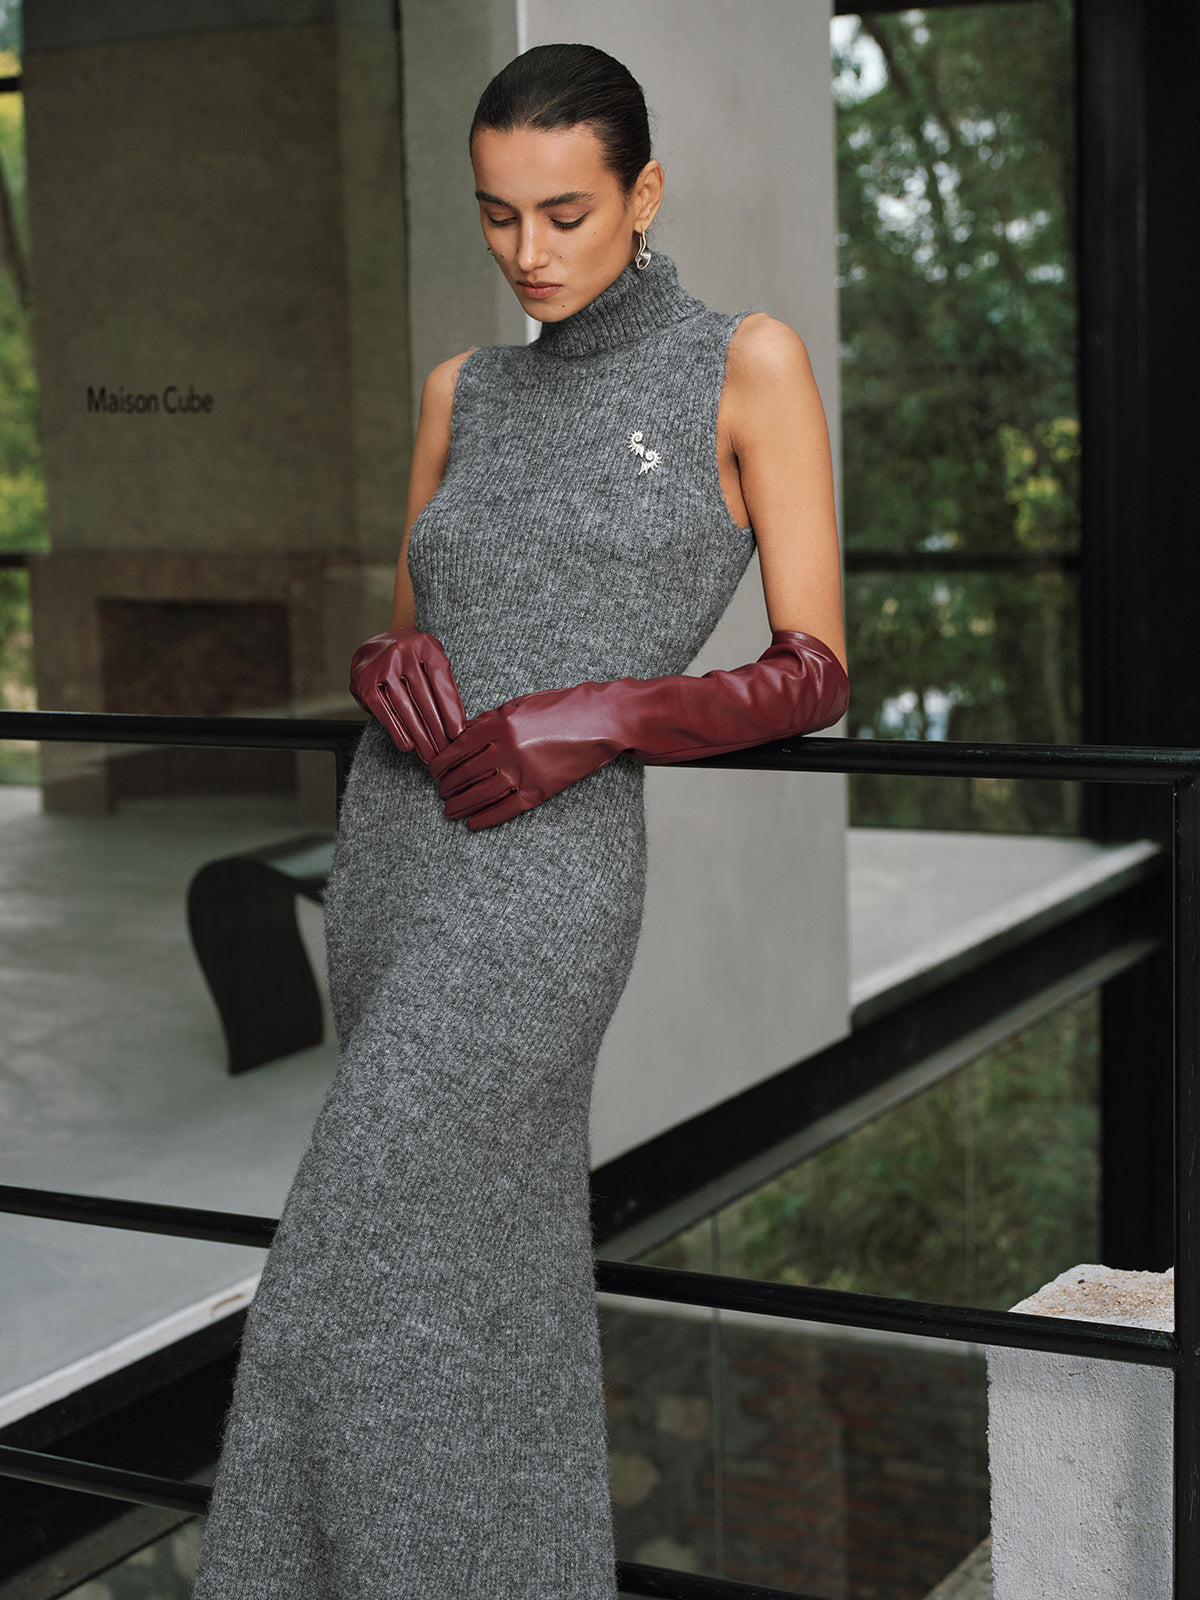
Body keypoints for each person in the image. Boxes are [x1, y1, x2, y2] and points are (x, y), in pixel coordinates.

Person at [191, 41, 847, 1600]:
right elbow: (417, 622)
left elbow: (813, 670)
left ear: (644, 193)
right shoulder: (462, 390)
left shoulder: (744, 363)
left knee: (340, 1278)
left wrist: (598, 716)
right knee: (481, 1291)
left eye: (565, 213)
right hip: (394, 852)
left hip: (547, 882)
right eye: (498, 215)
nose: (528, 253)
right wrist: (384, 661)